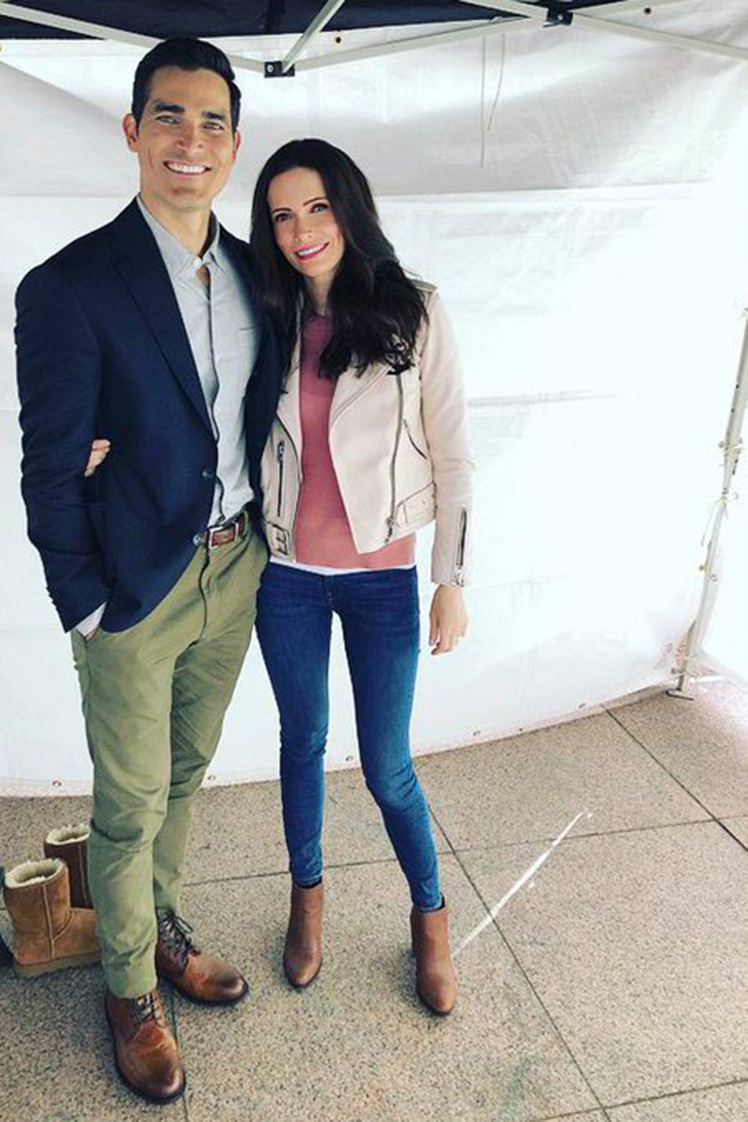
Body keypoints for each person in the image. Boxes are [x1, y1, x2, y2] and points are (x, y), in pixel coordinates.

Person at [15, 39, 280, 1104]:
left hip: (234, 566)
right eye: (169, 116)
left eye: (213, 122)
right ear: (133, 131)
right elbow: (47, 467)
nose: (190, 141)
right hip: (132, 590)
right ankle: (128, 989)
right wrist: (83, 602)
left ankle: (156, 923)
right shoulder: (70, 285)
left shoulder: (259, 273)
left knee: (184, 770)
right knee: (127, 802)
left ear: (234, 145)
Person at [249, 138, 474, 1014]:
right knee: (301, 742)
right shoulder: (265, 317)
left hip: (383, 580)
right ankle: (307, 902)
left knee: (386, 767)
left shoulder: (414, 311)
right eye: (282, 215)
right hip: (286, 577)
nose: (301, 230)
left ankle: (431, 918)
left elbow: (454, 452)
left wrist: (451, 577)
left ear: (348, 207)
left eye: (316, 207)